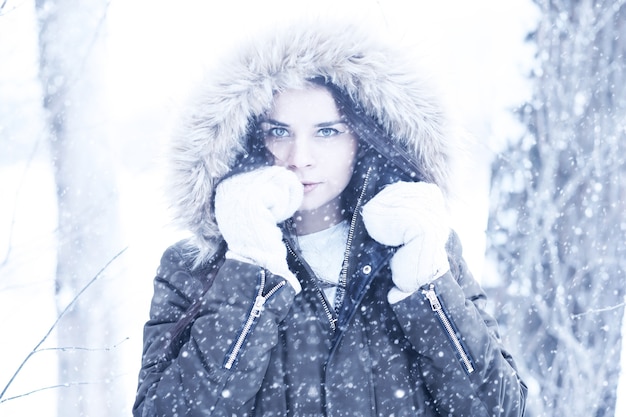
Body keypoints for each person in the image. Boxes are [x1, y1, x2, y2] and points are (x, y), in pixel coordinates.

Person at [132, 20, 527, 417]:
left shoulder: (424, 243)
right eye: (279, 132)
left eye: (327, 131)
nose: (300, 156)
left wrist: (427, 288)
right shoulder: (197, 267)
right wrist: (251, 269)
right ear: (250, 139)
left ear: (364, 137)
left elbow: (503, 410)